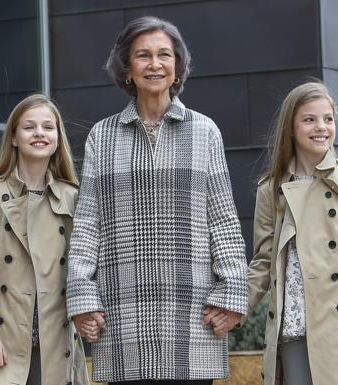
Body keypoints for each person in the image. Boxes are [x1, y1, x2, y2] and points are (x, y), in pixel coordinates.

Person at [66, 16, 248, 384]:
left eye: (165, 55)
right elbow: (87, 224)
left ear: (177, 67)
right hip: (123, 316)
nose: (155, 64)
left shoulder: (205, 131)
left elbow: (223, 220)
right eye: (143, 55)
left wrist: (231, 292)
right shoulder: (102, 137)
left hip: (194, 316)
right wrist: (82, 297)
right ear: (127, 69)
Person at [247, 81, 338, 385]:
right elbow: (263, 263)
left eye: (328, 119)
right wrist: (232, 307)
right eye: (309, 119)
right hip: (294, 326)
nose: (321, 127)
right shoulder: (270, 189)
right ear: (291, 126)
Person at [0, 94, 90, 385]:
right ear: (14, 137)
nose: (39, 133)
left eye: (48, 127)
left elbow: (85, 270)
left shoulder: (74, 197)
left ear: (57, 137)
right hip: (0, 340)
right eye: (29, 127)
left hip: (56, 342)